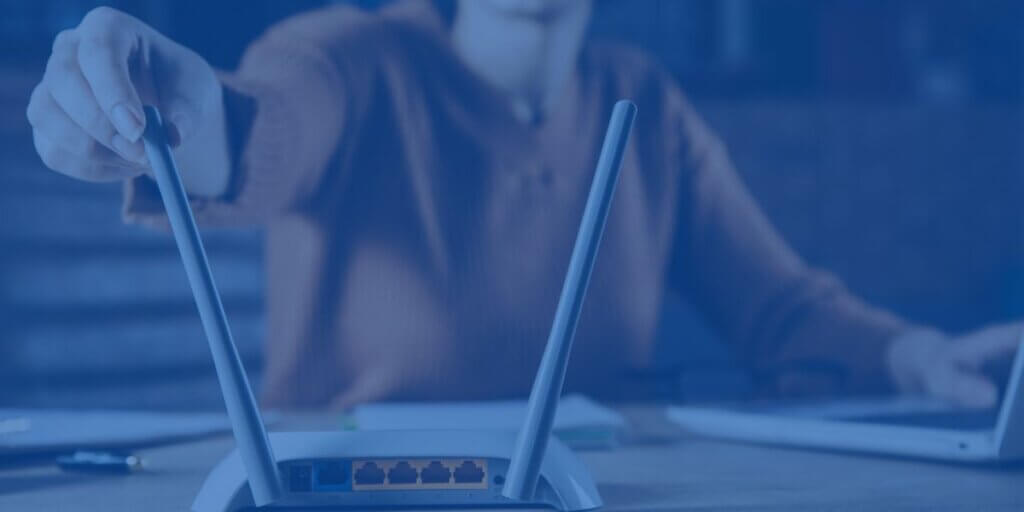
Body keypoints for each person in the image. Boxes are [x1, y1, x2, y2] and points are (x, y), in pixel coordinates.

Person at [26, 0, 1020, 409]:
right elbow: (258, 133)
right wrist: (178, 111)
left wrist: (912, 353)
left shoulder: (644, 99)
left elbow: (778, 302)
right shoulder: (354, 56)